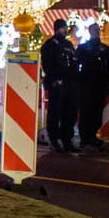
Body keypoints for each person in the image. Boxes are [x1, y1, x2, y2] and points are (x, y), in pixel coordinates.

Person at [40, 19, 80, 153]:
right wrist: (54, 79)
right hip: (57, 83)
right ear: (57, 29)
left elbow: (74, 62)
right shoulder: (50, 45)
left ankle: (67, 139)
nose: (65, 30)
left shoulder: (68, 44)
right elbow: (47, 64)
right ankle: (54, 139)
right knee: (55, 113)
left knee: (69, 113)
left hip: (70, 84)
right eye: (63, 28)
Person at [76, 24, 109, 152]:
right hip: (86, 86)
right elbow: (76, 65)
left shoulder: (105, 49)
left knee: (97, 113)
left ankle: (92, 136)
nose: (96, 33)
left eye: (97, 31)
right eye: (94, 31)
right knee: (85, 112)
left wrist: (108, 85)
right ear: (89, 32)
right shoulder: (83, 49)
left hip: (99, 86)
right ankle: (85, 138)